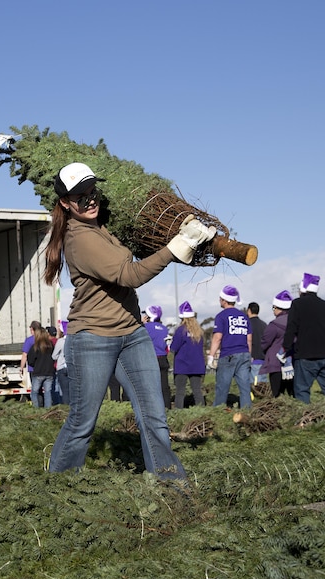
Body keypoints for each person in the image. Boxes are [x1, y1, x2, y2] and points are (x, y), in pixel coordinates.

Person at [43, 161, 207, 481]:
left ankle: (172, 487)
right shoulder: (78, 238)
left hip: (133, 333)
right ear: (65, 203)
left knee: (154, 417)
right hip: (92, 338)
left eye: (93, 193)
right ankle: (57, 487)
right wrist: (175, 249)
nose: (90, 201)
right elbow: (128, 275)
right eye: (80, 197)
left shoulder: (103, 226)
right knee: (82, 423)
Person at [282, 273, 325, 403]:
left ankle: (305, 420)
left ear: (303, 287)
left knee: (302, 389)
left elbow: (291, 328)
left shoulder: (297, 304)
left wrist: (286, 347)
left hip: (306, 354)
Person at [209, 285, 253, 409]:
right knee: (244, 387)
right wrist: (249, 355)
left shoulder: (221, 316)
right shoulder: (244, 316)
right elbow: (249, 339)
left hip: (229, 354)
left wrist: (211, 356)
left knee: (222, 387)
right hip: (244, 353)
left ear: (224, 300)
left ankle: (218, 413)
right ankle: (247, 412)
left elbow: (217, 338)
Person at [169, 301, 205, 409]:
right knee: (197, 392)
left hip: (182, 366)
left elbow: (173, 348)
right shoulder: (199, 332)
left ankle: (179, 414)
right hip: (197, 365)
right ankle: (202, 412)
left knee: (180, 392)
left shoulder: (181, 330)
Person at [260, 291, 295, 398]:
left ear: (277, 307)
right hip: (292, 363)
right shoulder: (296, 322)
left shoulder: (274, 325)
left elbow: (265, 343)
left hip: (276, 364)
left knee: (277, 395)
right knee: (293, 394)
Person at [142, 305, 173, 409]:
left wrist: (142, 323)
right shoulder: (164, 329)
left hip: (150, 359)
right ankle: (167, 407)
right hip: (163, 358)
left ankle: (151, 409)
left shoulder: (146, 327)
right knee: (164, 386)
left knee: (148, 386)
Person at [27, 325, 57, 408]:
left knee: (34, 392)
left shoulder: (35, 346)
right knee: (48, 392)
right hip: (49, 372)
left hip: (38, 372)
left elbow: (30, 360)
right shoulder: (50, 346)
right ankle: (48, 410)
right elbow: (54, 357)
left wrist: (35, 365)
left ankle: (36, 410)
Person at [246, 301, 268, 385]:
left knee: (254, 385)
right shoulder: (264, 325)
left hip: (252, 358)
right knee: (263, 384)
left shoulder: (247, 324)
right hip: (262, 358)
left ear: (249, 310)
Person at [52, 321, 70, 405]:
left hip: (61, 368)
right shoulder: (72, 340)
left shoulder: (60, 341)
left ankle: (66, 408)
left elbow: (54, 356)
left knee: (64, 390)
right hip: (71, 367)